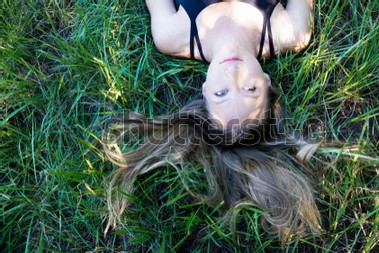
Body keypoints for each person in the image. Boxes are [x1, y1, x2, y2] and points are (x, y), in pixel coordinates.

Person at [104, 0, 320, 240]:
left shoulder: (172, 36)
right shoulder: (291, 31)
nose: (233, 75)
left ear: (205, 91)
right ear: (267, 82)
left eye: (221, 94)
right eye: (250, 88)